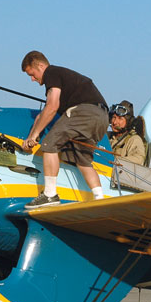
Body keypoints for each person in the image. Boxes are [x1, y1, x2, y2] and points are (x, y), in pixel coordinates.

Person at [21, 51, 109, 208]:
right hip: (101, 117)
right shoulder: (64, 77)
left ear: (40, 65)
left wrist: (35, 136)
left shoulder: (51, 73)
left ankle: (49, 195)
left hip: (83, 111)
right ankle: (100, 199)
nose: (32, 79)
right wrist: (31, 136)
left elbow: (52, 106)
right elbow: (42, 115)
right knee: (82, 160)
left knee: (49, 145)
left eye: (32, 74)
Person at [108, 100, 146, 165]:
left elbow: (139, 159)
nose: (114, 122)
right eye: (114, 117)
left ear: (129, 122)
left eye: (120, 118)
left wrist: (116, 161)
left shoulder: (134, 139)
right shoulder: (106, 136)